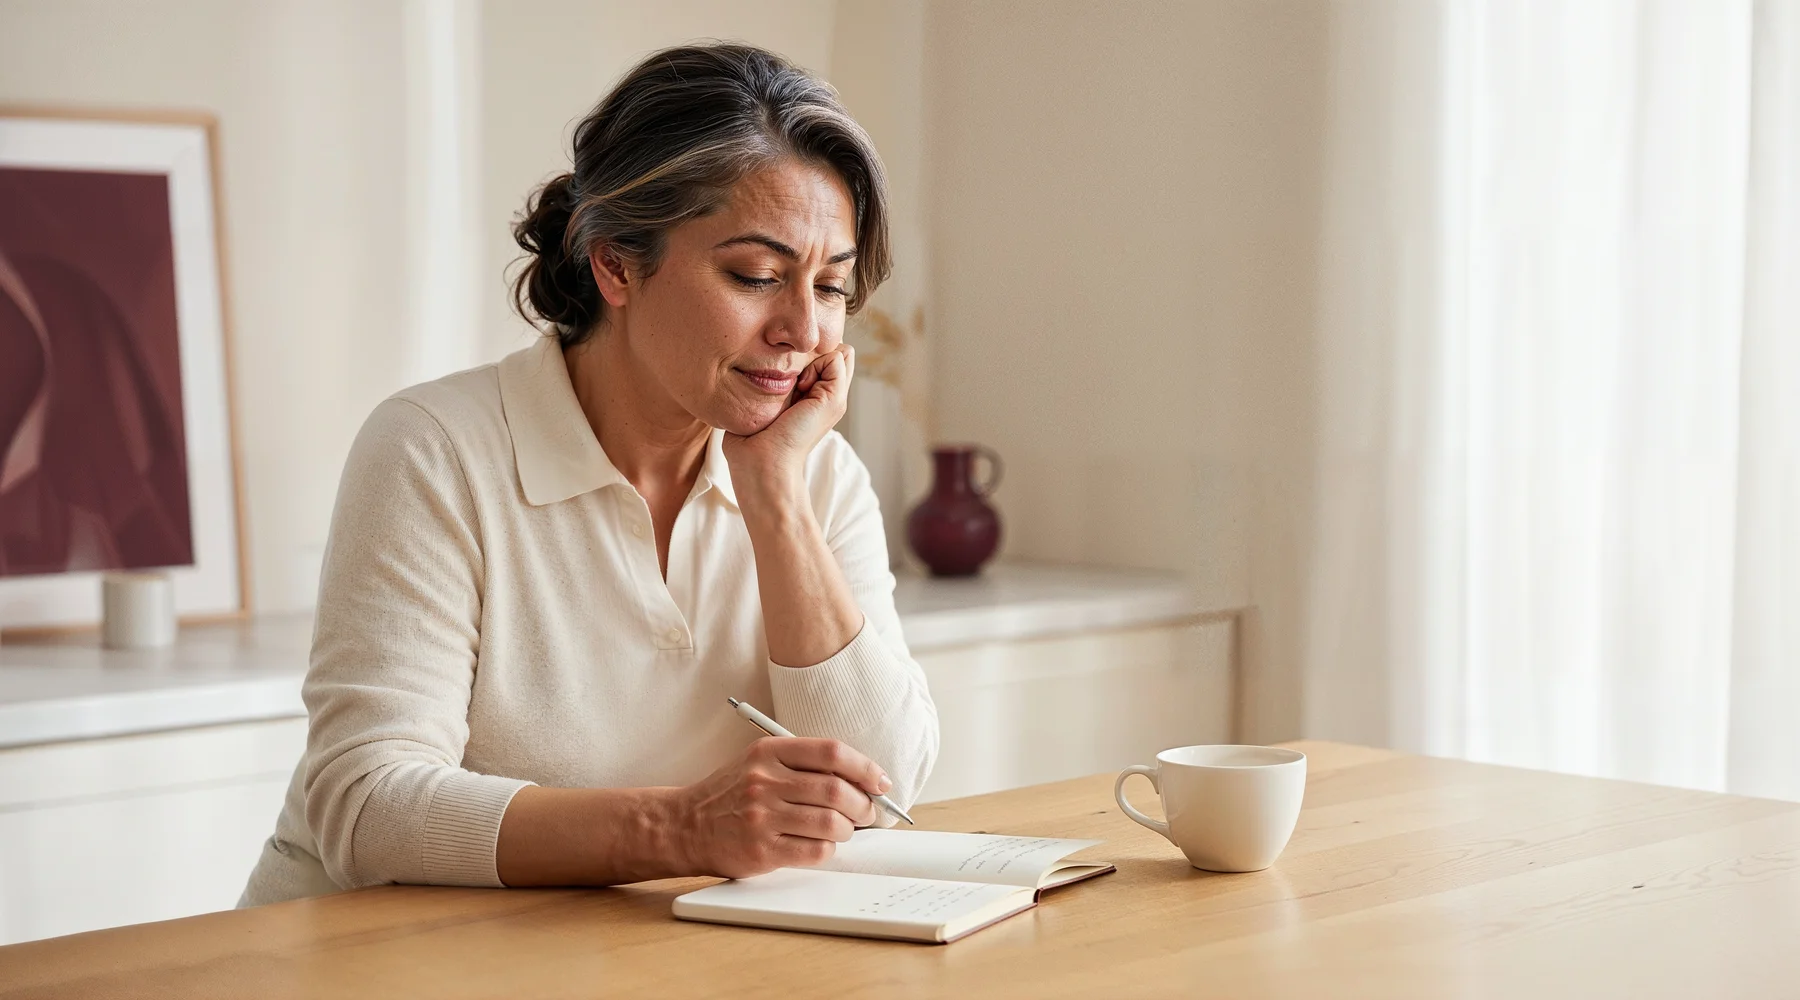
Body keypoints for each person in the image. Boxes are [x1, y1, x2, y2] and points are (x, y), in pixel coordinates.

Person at [239, 42, 938, 905]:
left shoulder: (814, 473)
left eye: (830, 287)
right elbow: (365, 806)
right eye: (755, 275)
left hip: (617, 957)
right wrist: (677, 829)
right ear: (614, 264)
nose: (803, 328)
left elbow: (883, 788)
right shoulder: (434, 449)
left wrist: (775, 500)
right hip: (367, 961)